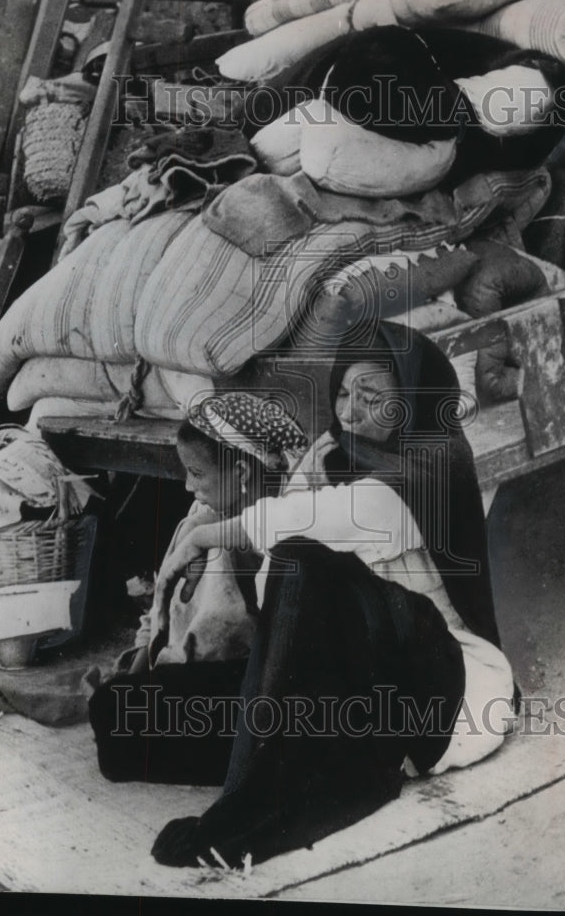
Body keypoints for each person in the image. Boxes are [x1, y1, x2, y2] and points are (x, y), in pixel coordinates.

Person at [151, 323, 515, 868]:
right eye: (343, 393)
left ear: (412, 402)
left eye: (372, 399)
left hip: (447, 696)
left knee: (305, 557)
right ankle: (331, 769)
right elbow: (275, 592)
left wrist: (206, 535)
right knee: (127, 720)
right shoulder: (338, 455)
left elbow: (306, 529)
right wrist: (310, 473)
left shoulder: (430, 468)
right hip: (364, 692)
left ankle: (242, 813)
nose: (349, 412)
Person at [87, 392, 308, 786]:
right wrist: (139, 671)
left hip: (259, 686)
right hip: (207, 682)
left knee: (120, 727)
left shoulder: (278, 536)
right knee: (114, 705)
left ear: (241, 473)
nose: (188, 485)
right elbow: (159, 610)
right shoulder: (200, 520)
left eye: (198, 473)